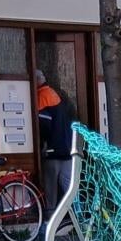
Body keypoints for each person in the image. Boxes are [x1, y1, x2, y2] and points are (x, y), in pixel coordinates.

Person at [35, 69, 74, 218]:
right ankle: (77, 216)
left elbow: (44, 123)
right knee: (68, 186)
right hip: (66, 149)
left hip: (52, 150)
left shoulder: (42, 96)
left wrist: (43, 144)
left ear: (36, 81)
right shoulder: (54, 94)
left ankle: (50, 220)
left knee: (50, 188)